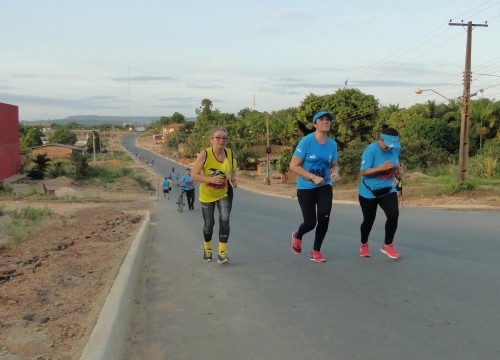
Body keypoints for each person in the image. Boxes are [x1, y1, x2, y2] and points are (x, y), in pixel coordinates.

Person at [289, 110, 340, 263]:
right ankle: (298, 235)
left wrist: (335, 172)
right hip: (306, 187)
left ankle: (316, 251)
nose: (326, 122)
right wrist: (312, 177)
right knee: (310, 223)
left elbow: (334, 165)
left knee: (324, 217)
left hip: (324, 186)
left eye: (328, 120)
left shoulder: (332, 144)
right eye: (322, 119)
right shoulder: (306, 142)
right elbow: (293, 166)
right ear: (315, 124)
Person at [192, 126, 237, 264]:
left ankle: (222, 253)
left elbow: (234, 169)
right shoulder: (205, 154)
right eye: (218, 137)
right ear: (212, 139)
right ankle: (208, 249)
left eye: (224, 138)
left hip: (224, 192)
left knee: (225, 220)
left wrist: (234, 178)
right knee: (209, 224)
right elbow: (194, 175)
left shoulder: (230, 153)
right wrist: (210, 179)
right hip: (207, 194)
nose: (221, 140)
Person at [358, 125, 403, 259]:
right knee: (369, 220)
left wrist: (398, 171)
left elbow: (396, 162)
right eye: (388, 145)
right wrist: (380, 168)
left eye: (393, 146)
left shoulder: (396, 148)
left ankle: (388, 245)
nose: (390, 148)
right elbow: (363, 172)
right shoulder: (370, 150)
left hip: (388, 189)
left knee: (393, 215)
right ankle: (364, 243)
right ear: (381, 139)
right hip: (369, 191)